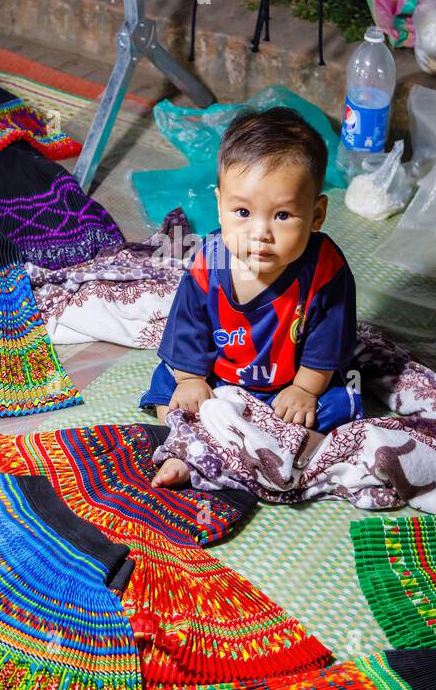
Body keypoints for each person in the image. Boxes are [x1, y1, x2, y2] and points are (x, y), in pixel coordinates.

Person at [141, 107, 361, 487]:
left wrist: (305, 389)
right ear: (220, 205)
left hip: (287, 386)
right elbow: (187, 331)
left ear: (317, 214)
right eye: (242, 211)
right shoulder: (208, 263)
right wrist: (191, 379)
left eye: (282, 215)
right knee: (167, 384)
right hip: (217, 377)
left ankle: (285, 450)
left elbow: (328, 341)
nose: (260, 232)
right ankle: (187, 445)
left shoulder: (327, 271)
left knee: (343, 400)